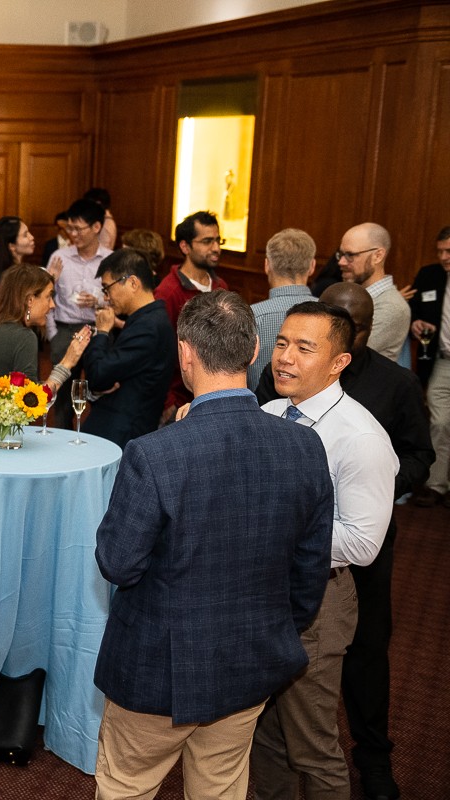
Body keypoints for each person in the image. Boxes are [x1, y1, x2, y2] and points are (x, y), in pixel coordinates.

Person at [93, 290, 333, 800]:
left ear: (185, 353)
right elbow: (309, 573)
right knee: (221, 788)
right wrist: (271, 628)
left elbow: (117, 562)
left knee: (125, 788)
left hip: (157, 669)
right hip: (250, 661)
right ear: (253, 352)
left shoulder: (154, 454)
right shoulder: (306, 445)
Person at [256, 282, 433, 800]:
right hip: (265, 597)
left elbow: (362, 543)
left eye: (304, 348)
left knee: (313, 747)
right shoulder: (268, 414)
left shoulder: (361, 438)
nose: (284, 358)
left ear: (339, 363)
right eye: (282, 342)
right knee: (266, 736)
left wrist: (275, 538)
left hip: (318, 603)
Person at [0, 264, 90, 423]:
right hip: (1, 438)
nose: (53, 305)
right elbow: (31, 401)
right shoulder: (24, 337)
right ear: (30, 300)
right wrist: (67, 362)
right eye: (48, 296)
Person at [79, 249, 176, 448]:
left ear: (132, 283)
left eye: (108, 288)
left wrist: (102, 332)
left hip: (122, 434)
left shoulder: (148, 327)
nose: (106, 298)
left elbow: (97, 375)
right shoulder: (145, 320)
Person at [157, 211, 230, 416]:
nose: (216, 248)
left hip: (214, 398)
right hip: (179, 403)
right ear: (184, 246)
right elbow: (160, 352)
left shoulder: (220, 287)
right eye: (207, 241)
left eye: (217, 240)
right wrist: (168, 402)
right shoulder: (168, 292)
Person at [47, 198, 112, 425]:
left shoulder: (110, 259)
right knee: (62, 396)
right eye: (70, 228)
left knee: (101, 390)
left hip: (99, 330)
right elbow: (47, 295)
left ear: (96, 227)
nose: (72, 233)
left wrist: (99, 302)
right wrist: (52, 333)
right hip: (66, 330)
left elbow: (119, 300)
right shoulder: (59, 257)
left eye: (78, 228)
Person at [410, 225, 450, 508]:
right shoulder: (429, 276)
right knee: (439, 422)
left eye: (449, 251)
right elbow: (413, 310)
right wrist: (416, 322)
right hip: (441, 361)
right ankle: (436, 485)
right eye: (440, 251)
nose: (444, 257)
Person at [248, 228, 317, 390]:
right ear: (312, 266)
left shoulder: (249, 316)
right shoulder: (331, 315)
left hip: (258, 410)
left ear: (266, 265)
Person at [337, 222, 410, 362]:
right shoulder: (355, 296)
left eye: (350, 255)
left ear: (378, 256)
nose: (341, 262)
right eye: (340, 254)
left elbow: (345, 353)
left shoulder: (391, 307)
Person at [0, 216, 36, 300]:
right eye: (25, 235)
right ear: (12, 246)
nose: (32, 237)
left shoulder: (8, 272)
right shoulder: (14, 277)